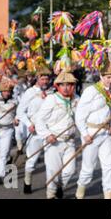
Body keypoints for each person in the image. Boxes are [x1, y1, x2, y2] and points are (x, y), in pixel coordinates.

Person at [74, 58, 111, 199]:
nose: (110, 80)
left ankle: (108, 194)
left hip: (104, 133)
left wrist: (110, 126)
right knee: (88, 168)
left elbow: (106, 112)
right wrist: (84, 134)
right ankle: (80, 191)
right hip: (91, 133)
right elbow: (80, 115)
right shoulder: (91, 91)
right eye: (108, 77)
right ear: (101, 76)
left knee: (108, 165)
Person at [35, 71, 79, 199]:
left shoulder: (77, 99)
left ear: (74, 86)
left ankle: (60, 186)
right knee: (53, 172)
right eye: (62, 85)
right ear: (57, 86)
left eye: (70, 85)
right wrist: (47, 135)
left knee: (70, 171)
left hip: (69, 141)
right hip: (53, 141)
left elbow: (84, 116)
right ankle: (51, 194)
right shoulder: (51, 99)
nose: (66, 88)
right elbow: (40, 120)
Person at [16, 66, 53, 194]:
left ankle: (51, 188)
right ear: (37, 79)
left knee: (51, 161)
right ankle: (27, 182)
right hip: (35, 131)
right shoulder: (29, 93)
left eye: (47, 79)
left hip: (49, 132)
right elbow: (20, 111)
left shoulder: (52, 92)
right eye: (42, 79)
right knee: (32, 160)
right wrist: (28, 124)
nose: (45, 82)